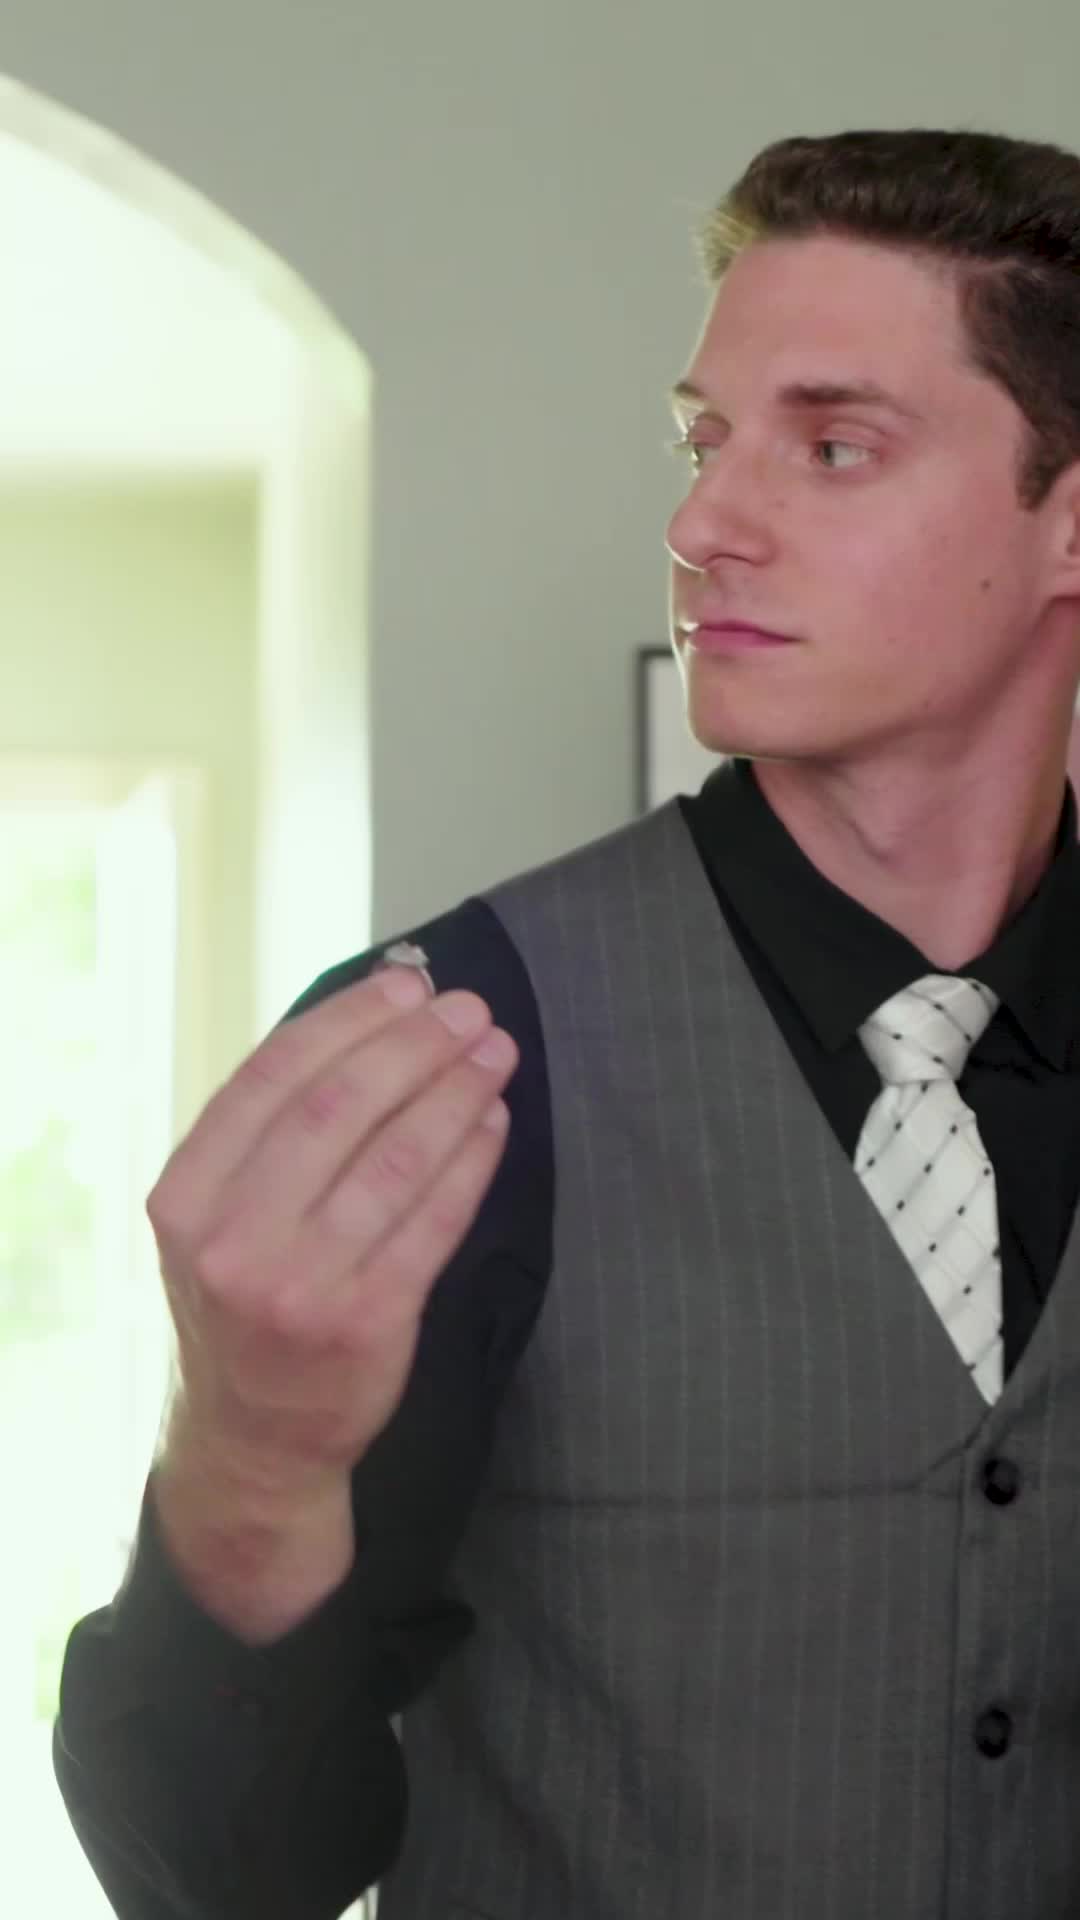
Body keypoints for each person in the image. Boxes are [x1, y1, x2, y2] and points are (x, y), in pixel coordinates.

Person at [53, 124, 1080, 1920]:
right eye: (704, 442)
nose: (701, 524)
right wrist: (247, 1455)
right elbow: (221, 1876)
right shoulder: (447, 1053)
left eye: (833, 446)